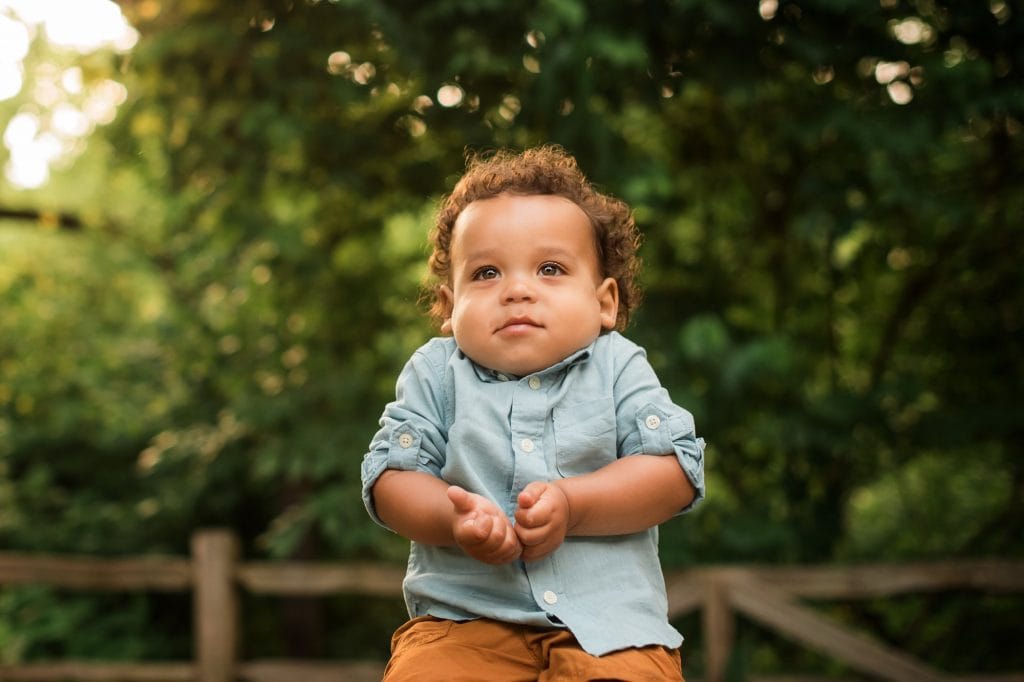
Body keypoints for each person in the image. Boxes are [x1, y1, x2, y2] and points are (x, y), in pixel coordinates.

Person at [361, 145, 705, 681]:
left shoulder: (618, 366)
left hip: (611, 632)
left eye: (549, 269)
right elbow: (391, 480)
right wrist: (455, 521)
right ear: (450, 309)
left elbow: (674, 471)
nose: (517, 290)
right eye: (487, 273)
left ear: (604, 302)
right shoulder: (436, 372)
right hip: (462, 623)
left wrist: (574, 503)